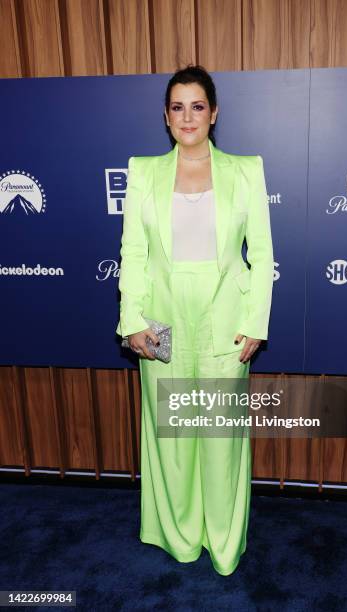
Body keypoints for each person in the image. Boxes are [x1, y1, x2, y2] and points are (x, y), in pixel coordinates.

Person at [116, 64, 274, 576]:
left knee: (220, 437)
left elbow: (264, 253)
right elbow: (134, 252)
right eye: (178, 107)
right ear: (166, 117)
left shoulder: (247, 169)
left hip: (226, 315)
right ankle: (181, 536)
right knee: (175, 436)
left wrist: (256, 322)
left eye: (198, 106)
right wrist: (130, 320)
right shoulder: (143, 171)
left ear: (214, 113)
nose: (188, 116)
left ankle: (224, 541)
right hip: (161, 318)